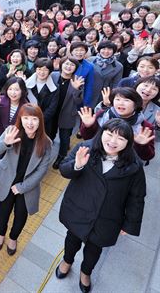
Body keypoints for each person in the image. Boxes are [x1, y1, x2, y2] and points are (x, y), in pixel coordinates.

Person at [56, 119, 146, 293]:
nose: (113, 142)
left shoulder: (134, 166)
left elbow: (137, 197)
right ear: (102, 132)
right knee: (71, 239)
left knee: (94, 250)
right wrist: (77, 165)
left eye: (120, 139)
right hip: (79, 209)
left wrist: (130, 224)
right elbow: (64, 170)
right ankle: (67, 261)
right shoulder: (86, 148)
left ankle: (85, 272)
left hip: (107, 218)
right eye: (110, 134)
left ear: (128, 143)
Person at [0, 104, 53, 255]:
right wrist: (6, 143)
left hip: (27, 186)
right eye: (26, 118)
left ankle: (13, 238)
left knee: (21, 215)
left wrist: (22, 187)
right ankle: (1, 233)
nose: (30, 123)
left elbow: (42, 170)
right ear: (20, 119)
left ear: (40, 121)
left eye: (34, 119)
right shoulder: (12, 132)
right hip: (7, 180)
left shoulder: (46, 142)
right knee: (3, 211)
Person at [78, 87, 156, 162]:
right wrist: (88, 126)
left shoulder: (145, 127)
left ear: (136, 104)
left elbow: (148, 156)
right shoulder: (102, 114)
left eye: (126, 100)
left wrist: (141, 145)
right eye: (117, 99)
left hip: (123, 167)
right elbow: (88, 138)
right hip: (96, 158)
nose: (121, 103)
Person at [51, 58, 85, 169]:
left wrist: (76, 89)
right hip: (52, 112)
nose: (68, 66)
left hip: (67, 114)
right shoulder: (53, 75)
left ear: (75, 68)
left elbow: (79, 102)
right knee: (49, 134)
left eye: (72, 65)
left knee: (64, 138)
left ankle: (61, 157)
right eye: (66, 64)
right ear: (61, 65)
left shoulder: (77, 80)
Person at [24, 58, 59, 140]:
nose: (42, 72)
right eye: (39, 69)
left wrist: (39, 120)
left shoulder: (54, 87)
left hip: (45, 122)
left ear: (50, 71)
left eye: (45, 70)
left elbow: (52, 108)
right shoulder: (26, 84)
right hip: (27, 120)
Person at [88, 42, 123, 107]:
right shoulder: (90, 60)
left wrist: (110, 99)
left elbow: (116, 85)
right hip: (88, 93)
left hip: (103, 96)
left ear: (113, 51)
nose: (106, 51)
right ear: (99, 50)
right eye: (103, 49)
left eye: (109, 49)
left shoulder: (118, 66)